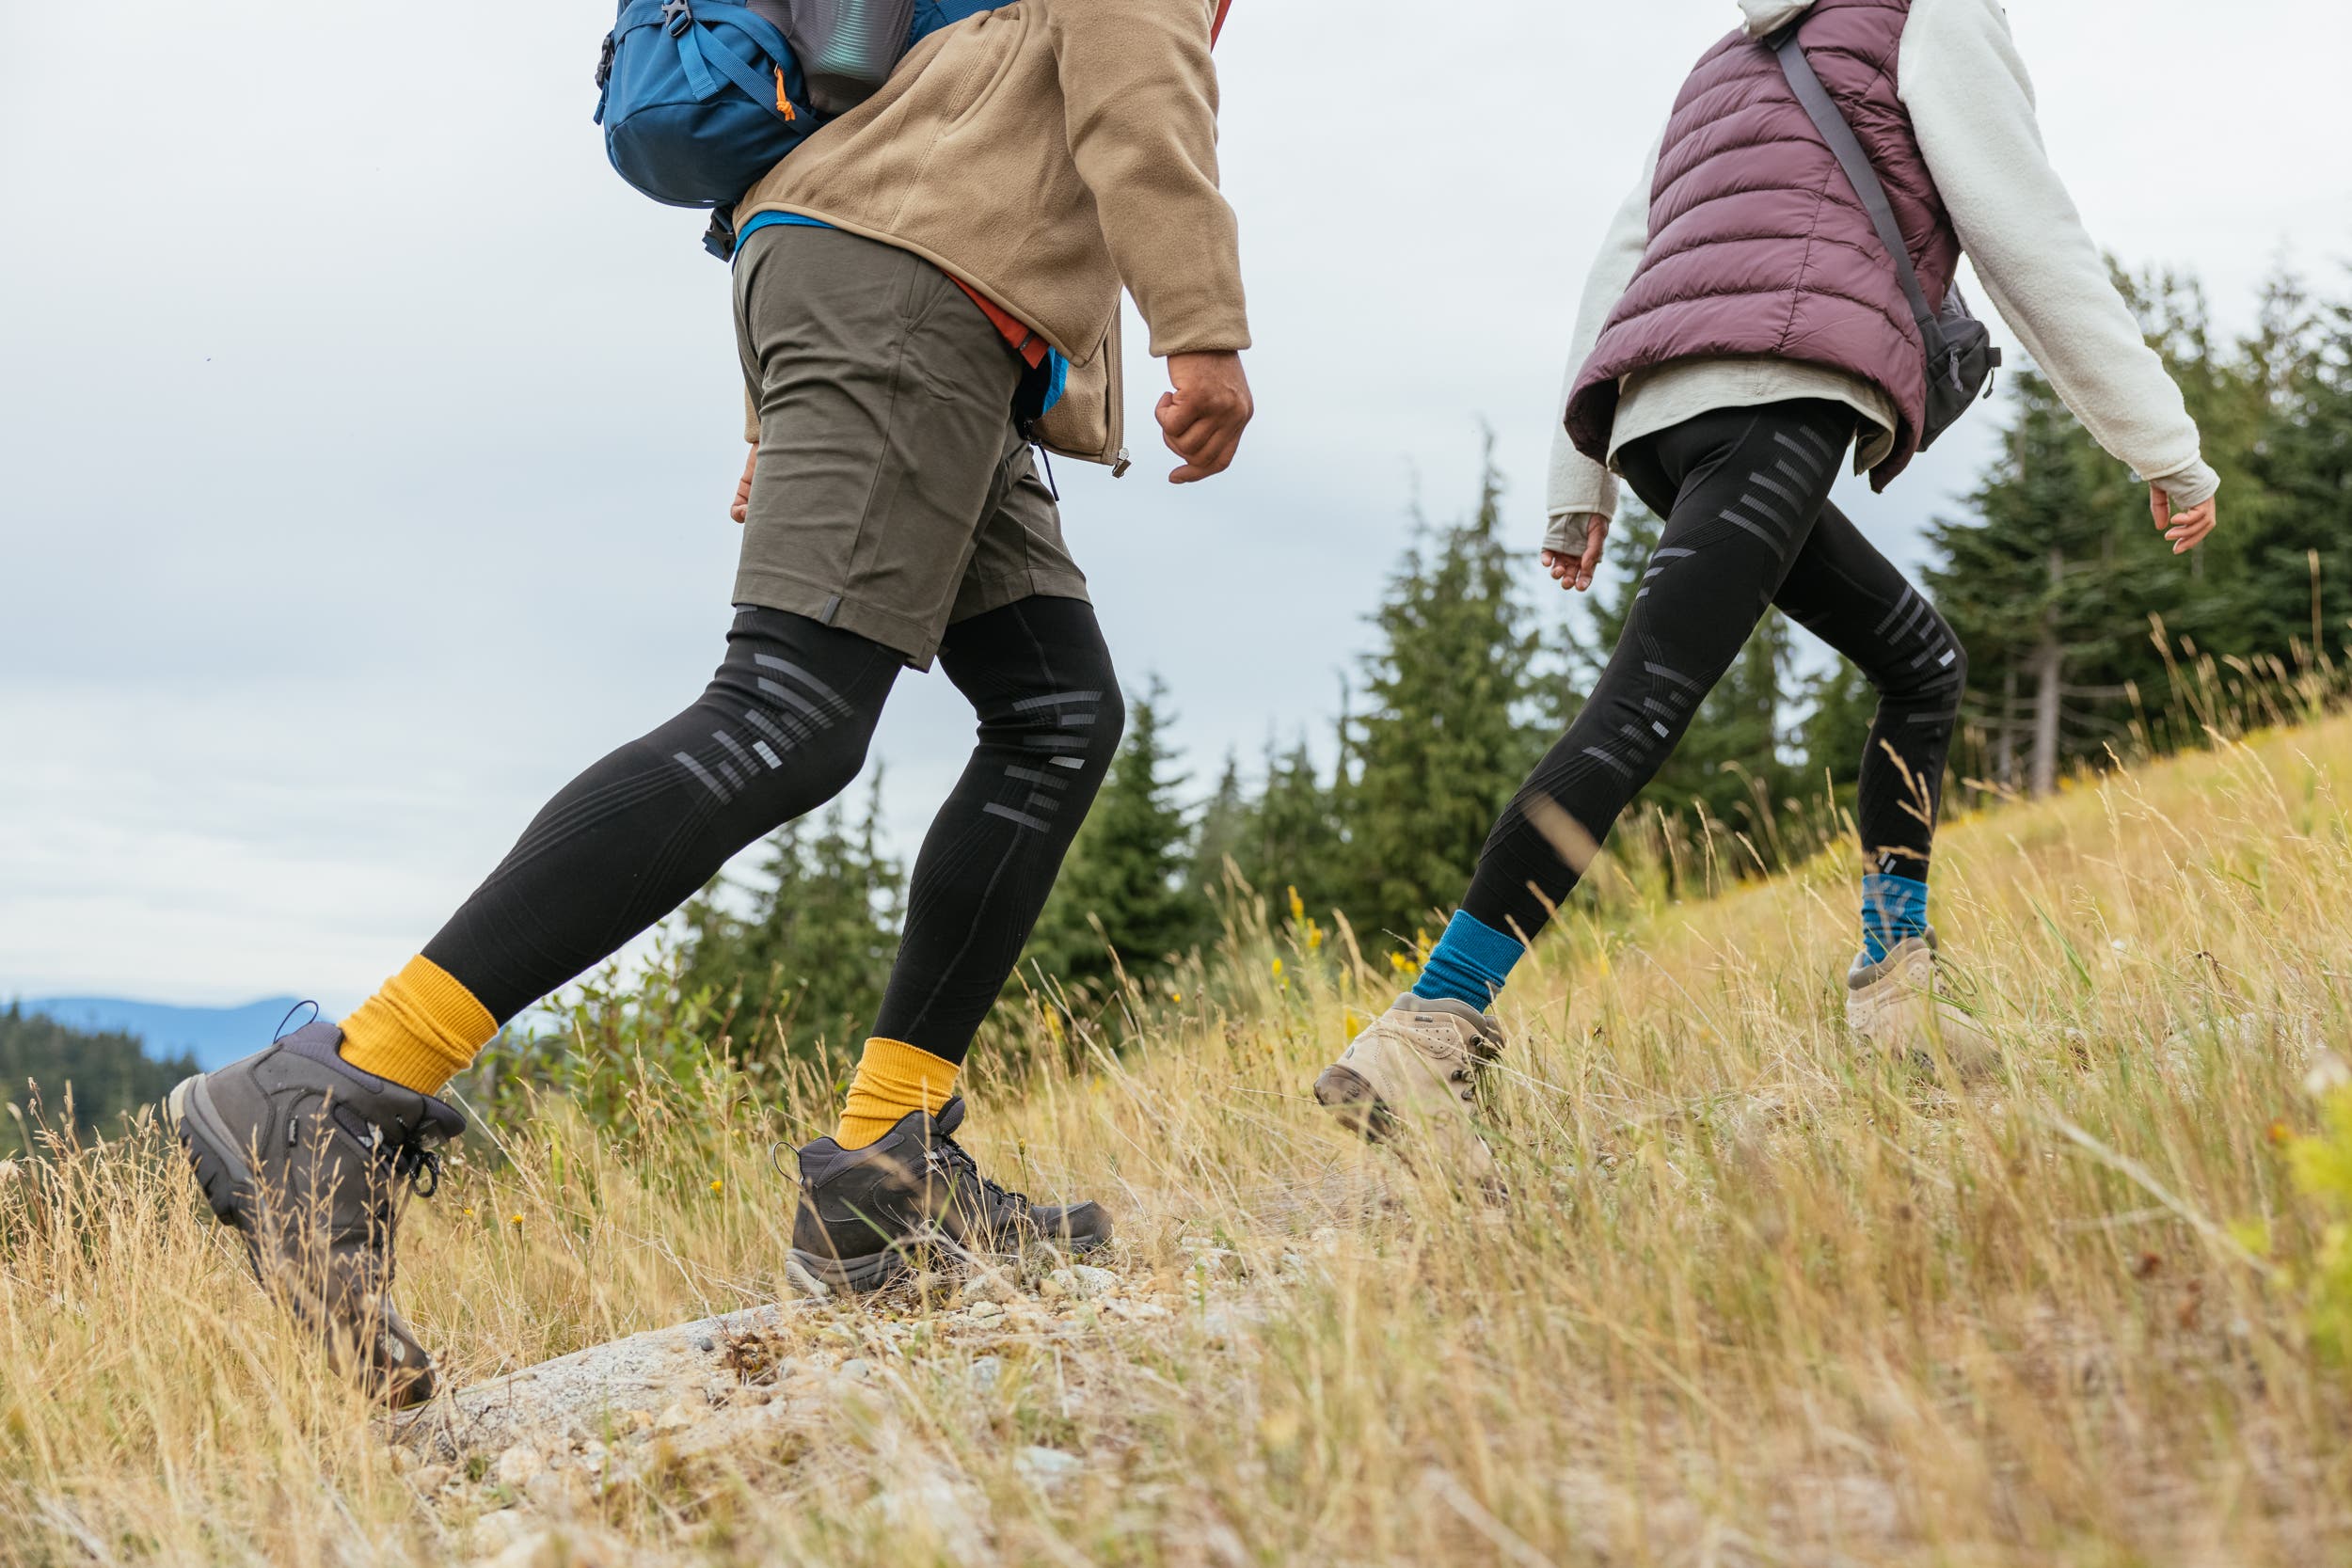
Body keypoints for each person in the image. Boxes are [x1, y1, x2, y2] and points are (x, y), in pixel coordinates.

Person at [167, 0, 1253, 1406]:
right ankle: (337, 1088)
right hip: (914, 289)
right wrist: (1204, 332)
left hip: (919, 304)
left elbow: (919, 102)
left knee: (1054, 711)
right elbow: (1135, 86)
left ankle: (883, 1178)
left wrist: (774, 411)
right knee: (787, 708)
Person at [1313, 0, 2219, 1179]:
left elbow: (1620, 261)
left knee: (1920, 664)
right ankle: (1426, 1029)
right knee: (1639, 708)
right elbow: (2025, 232)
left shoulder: (1722, 57)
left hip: (1660, 420)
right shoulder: (1930, 12)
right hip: (1775, 388)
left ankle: (1897, 995)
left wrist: (1579, 481)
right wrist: (2162, 444)